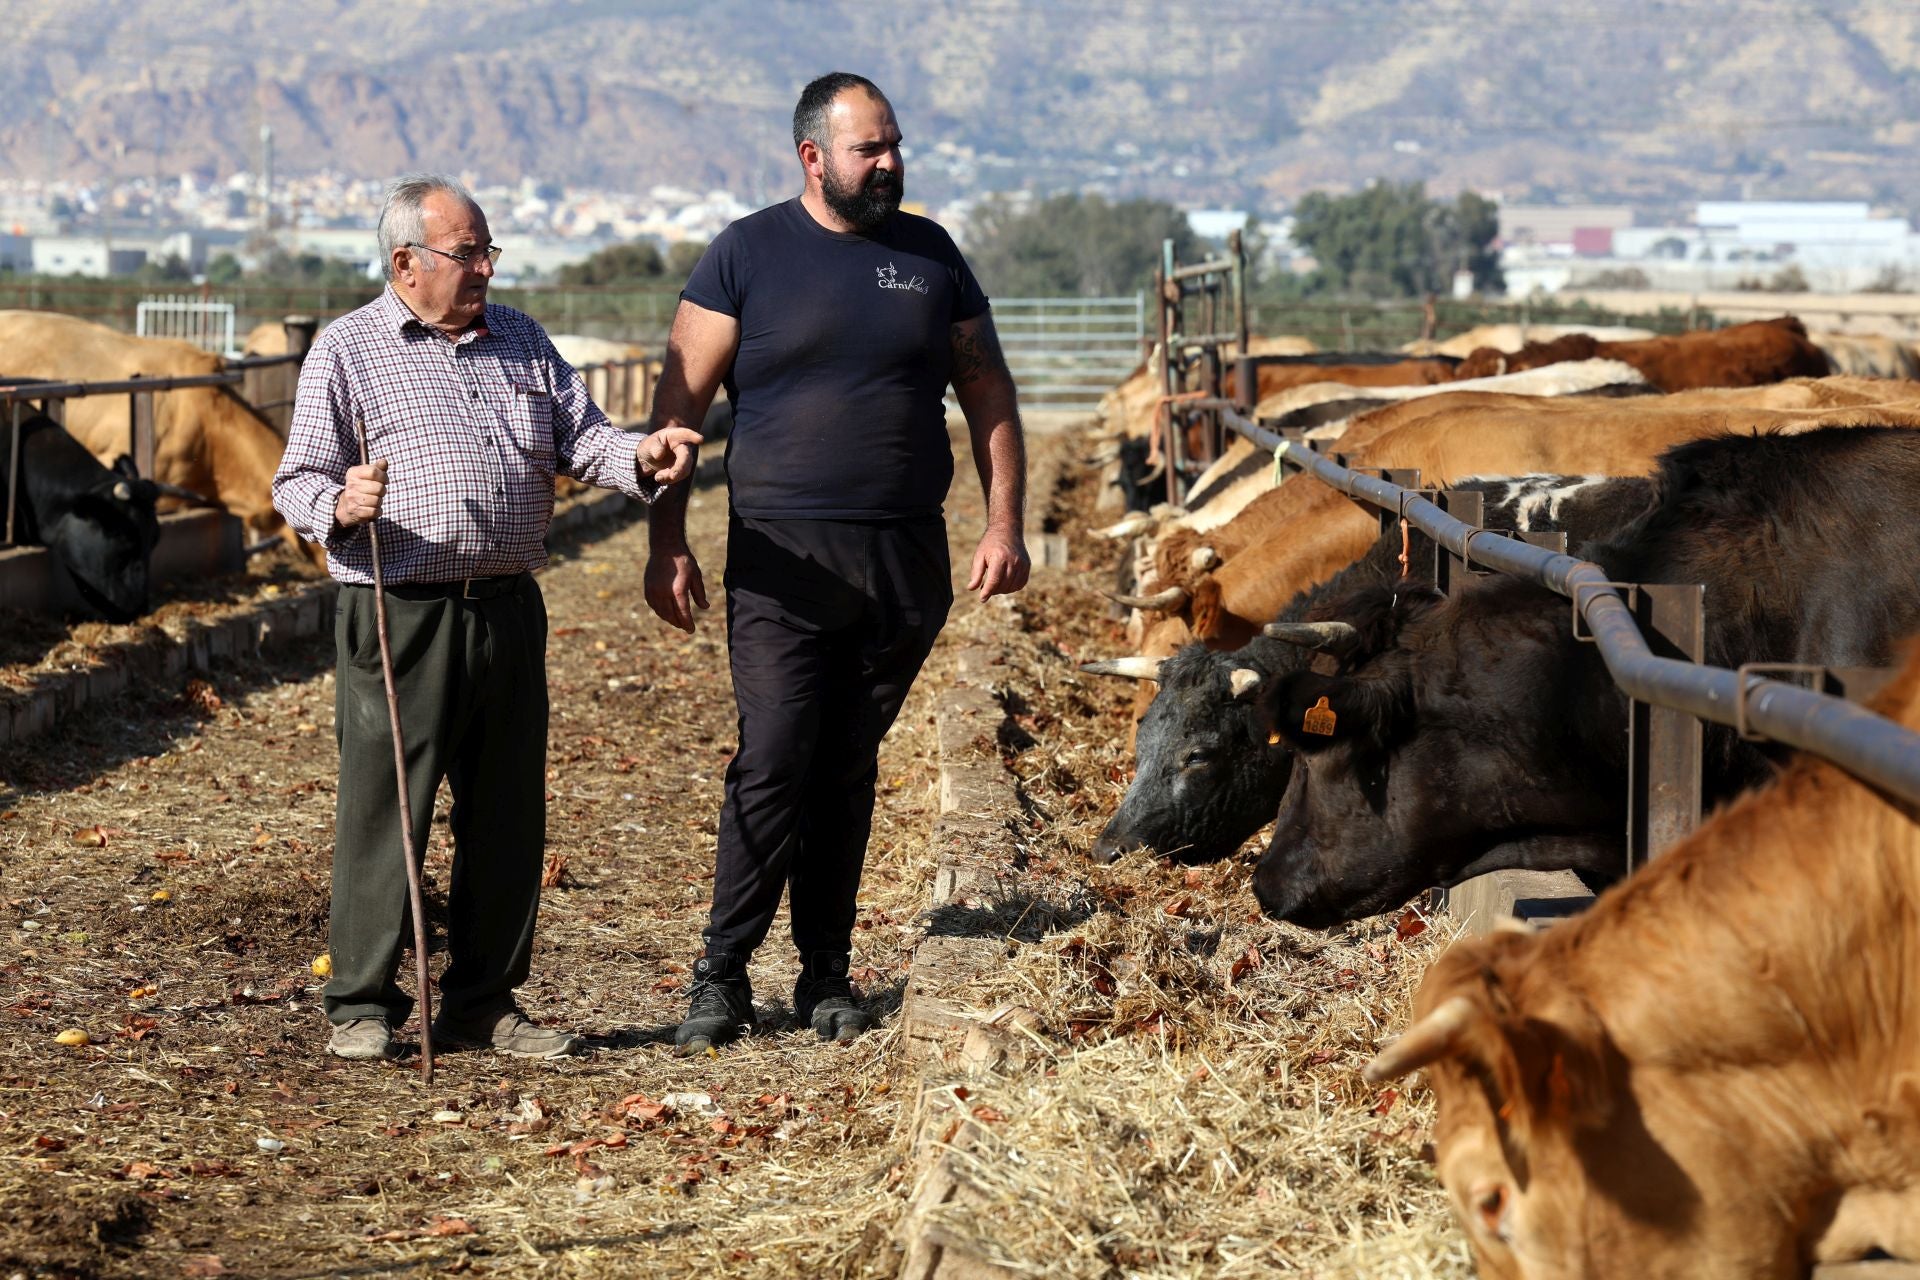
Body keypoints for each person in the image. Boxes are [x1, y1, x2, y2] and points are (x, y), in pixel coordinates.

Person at [272, 174, 700, 1062]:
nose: (484, 270)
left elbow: (585, 438)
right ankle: (361, 1001)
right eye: (468, 254)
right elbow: (296, 479)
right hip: (400, 611)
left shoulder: (521, 339)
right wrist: (341, 502)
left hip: (507, 606)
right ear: (406, 263)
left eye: (488, 252)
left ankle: (483, 1001)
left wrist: (642, 455)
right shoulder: (348, 351)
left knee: (507, 811)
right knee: (387, 807)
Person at [643, 72, 1029, 1052]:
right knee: (774, 757)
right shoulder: (746, 254)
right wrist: (665, 537)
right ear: (813, 157)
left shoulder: (930, 255)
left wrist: (1004, 525)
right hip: (782, 558)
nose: (892, 163)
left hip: (903, 561)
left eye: (896, 144)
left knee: (846, 766)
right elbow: (677, 410)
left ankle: (824, 972)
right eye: (872, 148)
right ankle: (721, 974)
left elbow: (988, 393)